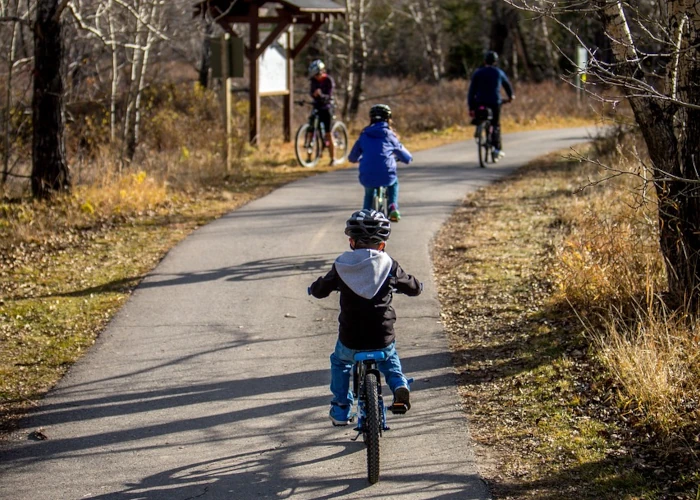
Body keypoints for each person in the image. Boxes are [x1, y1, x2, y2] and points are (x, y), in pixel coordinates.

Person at [308, 209, 422, 426]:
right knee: (389, 358)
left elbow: (322, 288)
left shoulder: (342, 265)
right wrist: (418, 287)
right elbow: (411, 286)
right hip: (382, 335)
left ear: (351, 242)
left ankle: (341, 408)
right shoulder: (389, 265)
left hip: (351, 338)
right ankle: (399, 385)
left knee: (340, 362)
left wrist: (314, 289)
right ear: (382, 245)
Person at [347, 104, 412, 222]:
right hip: (386, 173)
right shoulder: (389, 135)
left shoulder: (364, 134)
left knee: (369, 193)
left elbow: (352, 157)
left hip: (367, 173)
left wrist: (357, 159)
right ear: (388, 118)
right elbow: (406, 157)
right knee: (393, 183)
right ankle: (392, 206)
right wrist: (405, 159)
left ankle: (365, 214)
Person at [467, 51, 515, 160]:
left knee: (481, 117)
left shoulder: (478, 73)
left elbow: (471, 91)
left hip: (480, 102)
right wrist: (511, 97)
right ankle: (497, 149)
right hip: (495, 102)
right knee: (495, 124)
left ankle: (479, 129)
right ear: (495, 62)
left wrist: (471, 107)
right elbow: (507, 86)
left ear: (484, 61)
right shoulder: (499, 72)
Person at [308, 59, 337, 166]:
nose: (316, 77)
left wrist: (322, 95)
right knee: (311, 129)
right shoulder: (313, 81)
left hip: (326, 108)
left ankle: (333, 158)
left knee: (328, 133)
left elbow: (329, 95)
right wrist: (314, 95)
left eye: (317, 74)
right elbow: (311, 92)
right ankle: (309, 157)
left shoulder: (328, 80)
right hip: (317, 107)